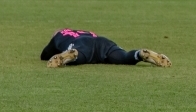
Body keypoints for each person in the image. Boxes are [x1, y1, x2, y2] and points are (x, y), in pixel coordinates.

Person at [41, 28, 171, 68]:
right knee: (123, 57)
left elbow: (45, 55)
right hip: (102, 41)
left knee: (79, 55)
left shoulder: (59, 35)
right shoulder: (86, 31)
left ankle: (72, 54)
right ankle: (140, 54)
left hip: (82, 44)